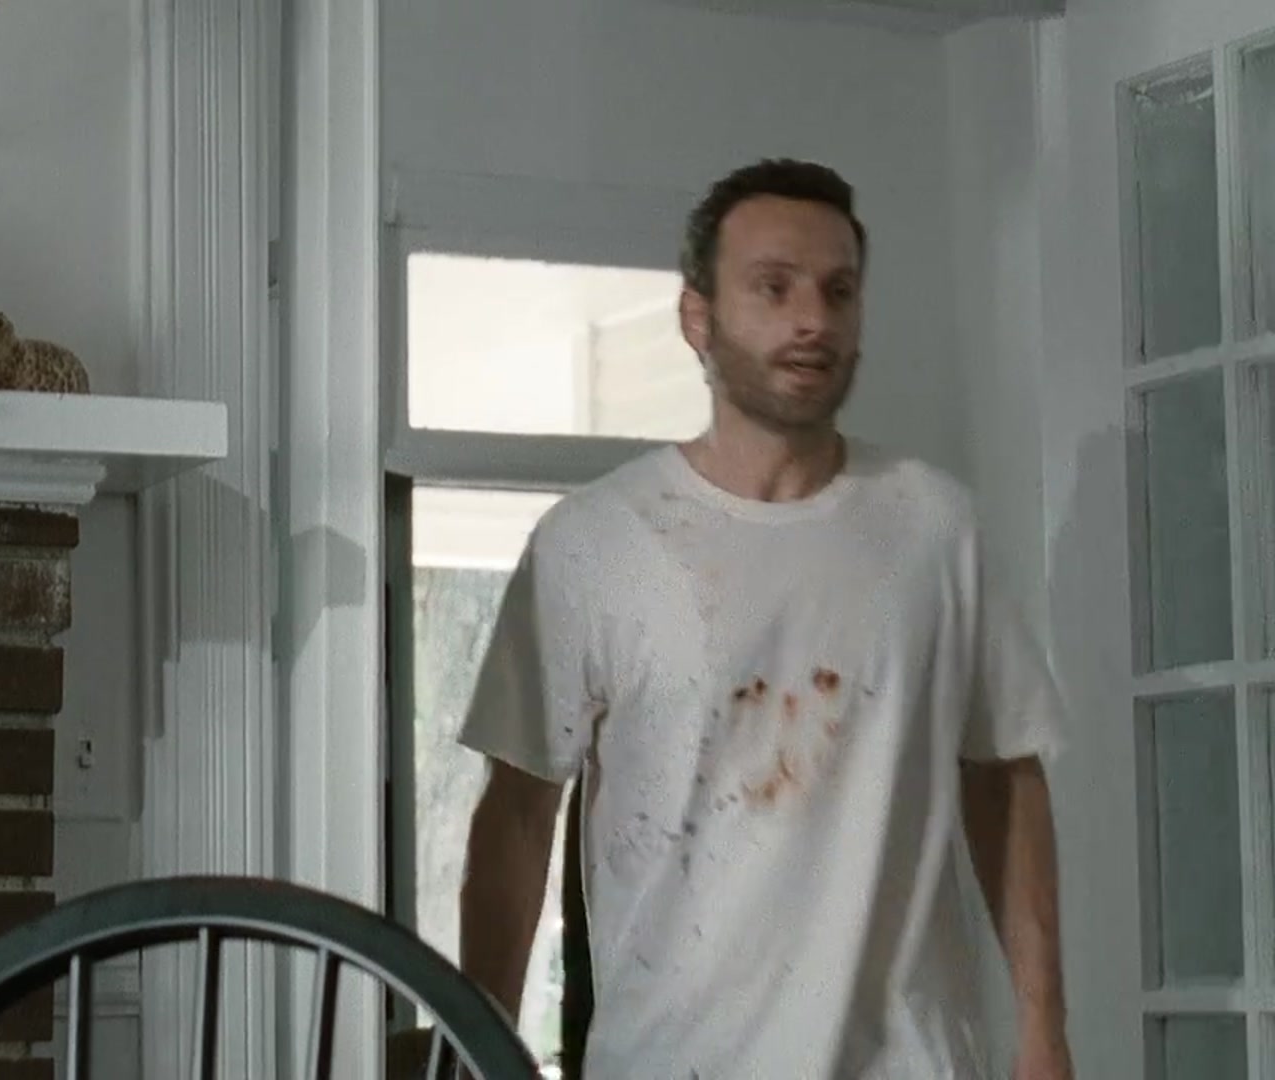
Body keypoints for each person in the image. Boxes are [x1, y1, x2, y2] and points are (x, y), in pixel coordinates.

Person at [454, 158, 1075, 1079]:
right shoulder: (593, 543)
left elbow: (1005, 776)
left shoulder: (937, 528)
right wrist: (479, 1054)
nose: (813, 319)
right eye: (774, 288)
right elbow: (516, 817)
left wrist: (1044, 1032)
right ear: (696, 318)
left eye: (838, 291)